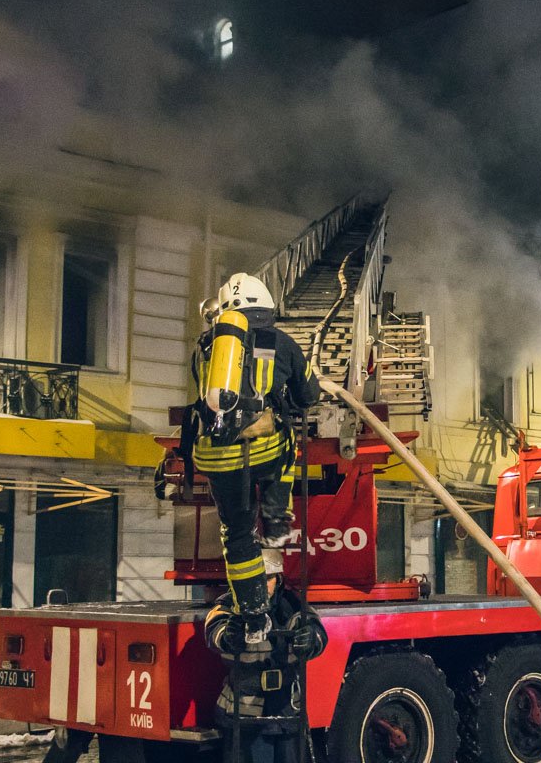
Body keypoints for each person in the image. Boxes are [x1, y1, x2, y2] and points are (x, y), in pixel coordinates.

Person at [191, 272, 320, 644]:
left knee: (236, 534)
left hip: (216, 457)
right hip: (262, 453)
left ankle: (253, 616)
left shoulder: (205, 347)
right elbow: (308, 394)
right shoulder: (282, 343)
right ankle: (277, 521)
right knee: (288, 447)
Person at [204, 549, 327, 763]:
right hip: (243, 709)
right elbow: (214, 632)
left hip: (286, 709)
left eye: (267, 578)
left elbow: (318, 633)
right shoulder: (227, 606)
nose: (261, 585)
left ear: (278, 579)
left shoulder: (294, 605)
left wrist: (310, 639)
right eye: (255, 579)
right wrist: (228, 636)